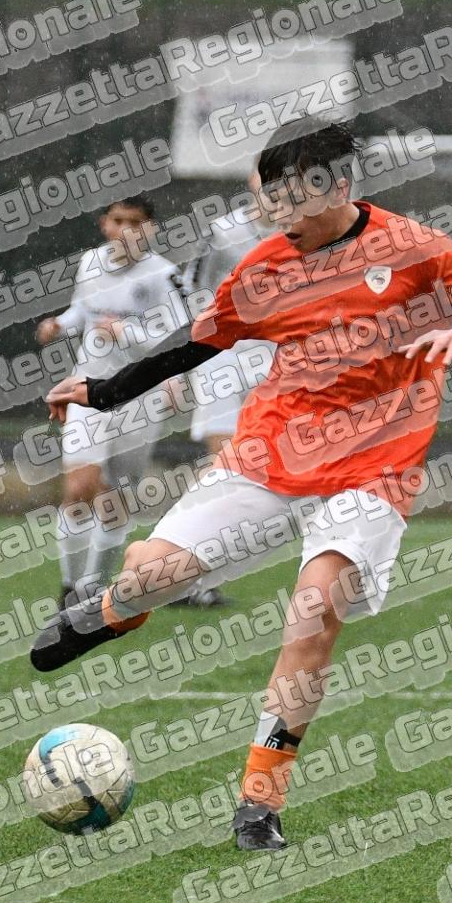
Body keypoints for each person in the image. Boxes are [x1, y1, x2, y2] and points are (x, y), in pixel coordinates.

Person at [31, 120, 452, 851]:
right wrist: (103, 391)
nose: (280, 219)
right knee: (152, 576)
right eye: (271, 203)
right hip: (269, 452)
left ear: (339, 188)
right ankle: (110, 610)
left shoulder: (414, 249)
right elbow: (193, 345)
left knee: (315, 613)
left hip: (373, 469)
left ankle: (258, 803)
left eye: (293, 203)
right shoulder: (269, 265)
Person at [36, 197, 188, 605]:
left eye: (136, 222)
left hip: (140, 397)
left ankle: (93, 589)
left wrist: (130, 336)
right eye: (118, 221)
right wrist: (60, 324)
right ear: (105, 224)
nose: (126, 230)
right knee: (79, 487)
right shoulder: (90, 263)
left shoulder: (164, 275)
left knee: (116, 500)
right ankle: (70, 589)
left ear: (150, 228)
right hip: (87, 390)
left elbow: (178, 338)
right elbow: (83, 311)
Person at [173, 203, 273, 608]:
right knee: (224, 466)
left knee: (251, 467)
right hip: (221, 359)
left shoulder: (306, 232)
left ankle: (185, 569)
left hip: (270, 358)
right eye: (268, 180)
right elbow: (187, 290)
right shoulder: (222, 231)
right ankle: (178, 570)